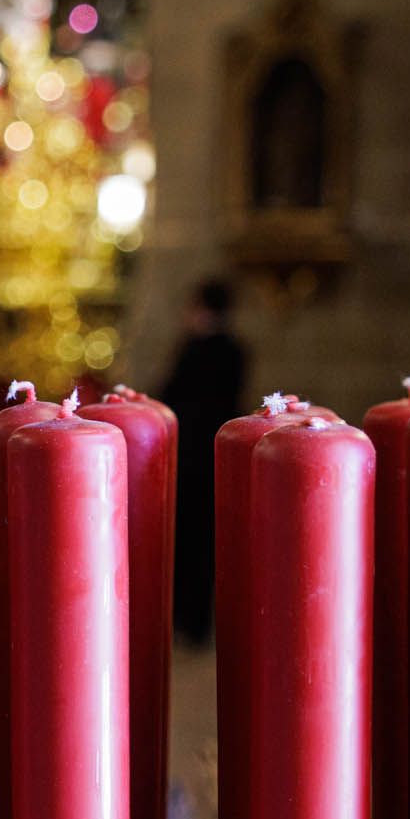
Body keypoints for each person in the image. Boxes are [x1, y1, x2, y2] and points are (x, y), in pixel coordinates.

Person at [159, 276, 249, 644]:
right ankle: (196, 622)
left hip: (190, 455)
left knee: (188, 539)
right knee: (205, 541)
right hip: (217, 455)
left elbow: (171, 396)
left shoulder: (195, 348)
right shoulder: (236, 349)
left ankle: (186, 620)